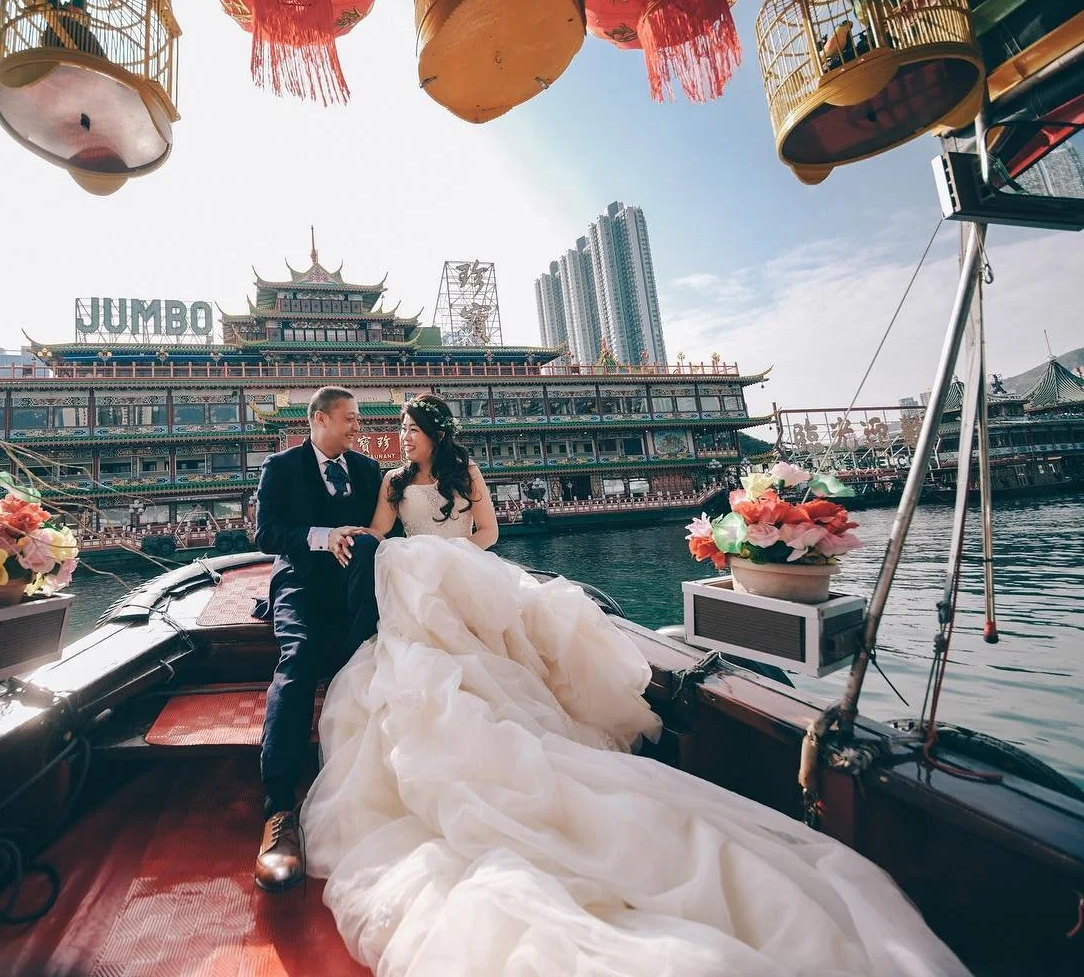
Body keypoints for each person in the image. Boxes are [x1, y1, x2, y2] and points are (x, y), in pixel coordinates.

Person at [300, 394, 966, 976]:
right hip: (424, 589)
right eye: (402, 429)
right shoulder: (391, 483)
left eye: (411, 427)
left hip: (470, 585)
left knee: (503, 659)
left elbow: (491, 534)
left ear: (433, 432)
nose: (403, 436)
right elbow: (381, 539)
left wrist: (457, 562)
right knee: (426, 661)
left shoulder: (465, 471)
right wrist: (382, 548)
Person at [252, 385, 383, 892]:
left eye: (357, 419)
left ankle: (371, 784)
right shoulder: (281, 467)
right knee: (301, 658)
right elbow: (267, 534)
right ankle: (279, 805)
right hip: (302, 582)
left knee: (376, 654)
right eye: (349, 418)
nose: (357, 426)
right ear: (320, 420)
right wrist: (322, 537)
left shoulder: (370, 471)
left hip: (358, 587)